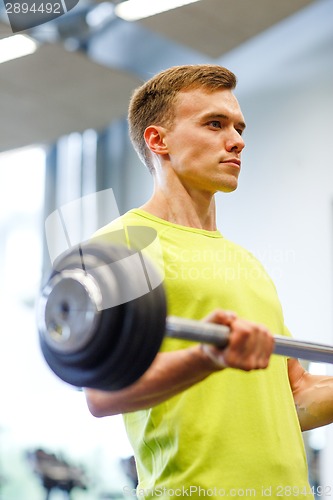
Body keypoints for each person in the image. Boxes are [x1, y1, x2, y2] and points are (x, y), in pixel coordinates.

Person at [84, 65, 333, 498]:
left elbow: (294, 397)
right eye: (214, 124)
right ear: (158, 140)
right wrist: (208, 357)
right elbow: (103, 395)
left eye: (238, 127)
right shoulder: (121, 245)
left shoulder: (247, 263)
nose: (237, 140)